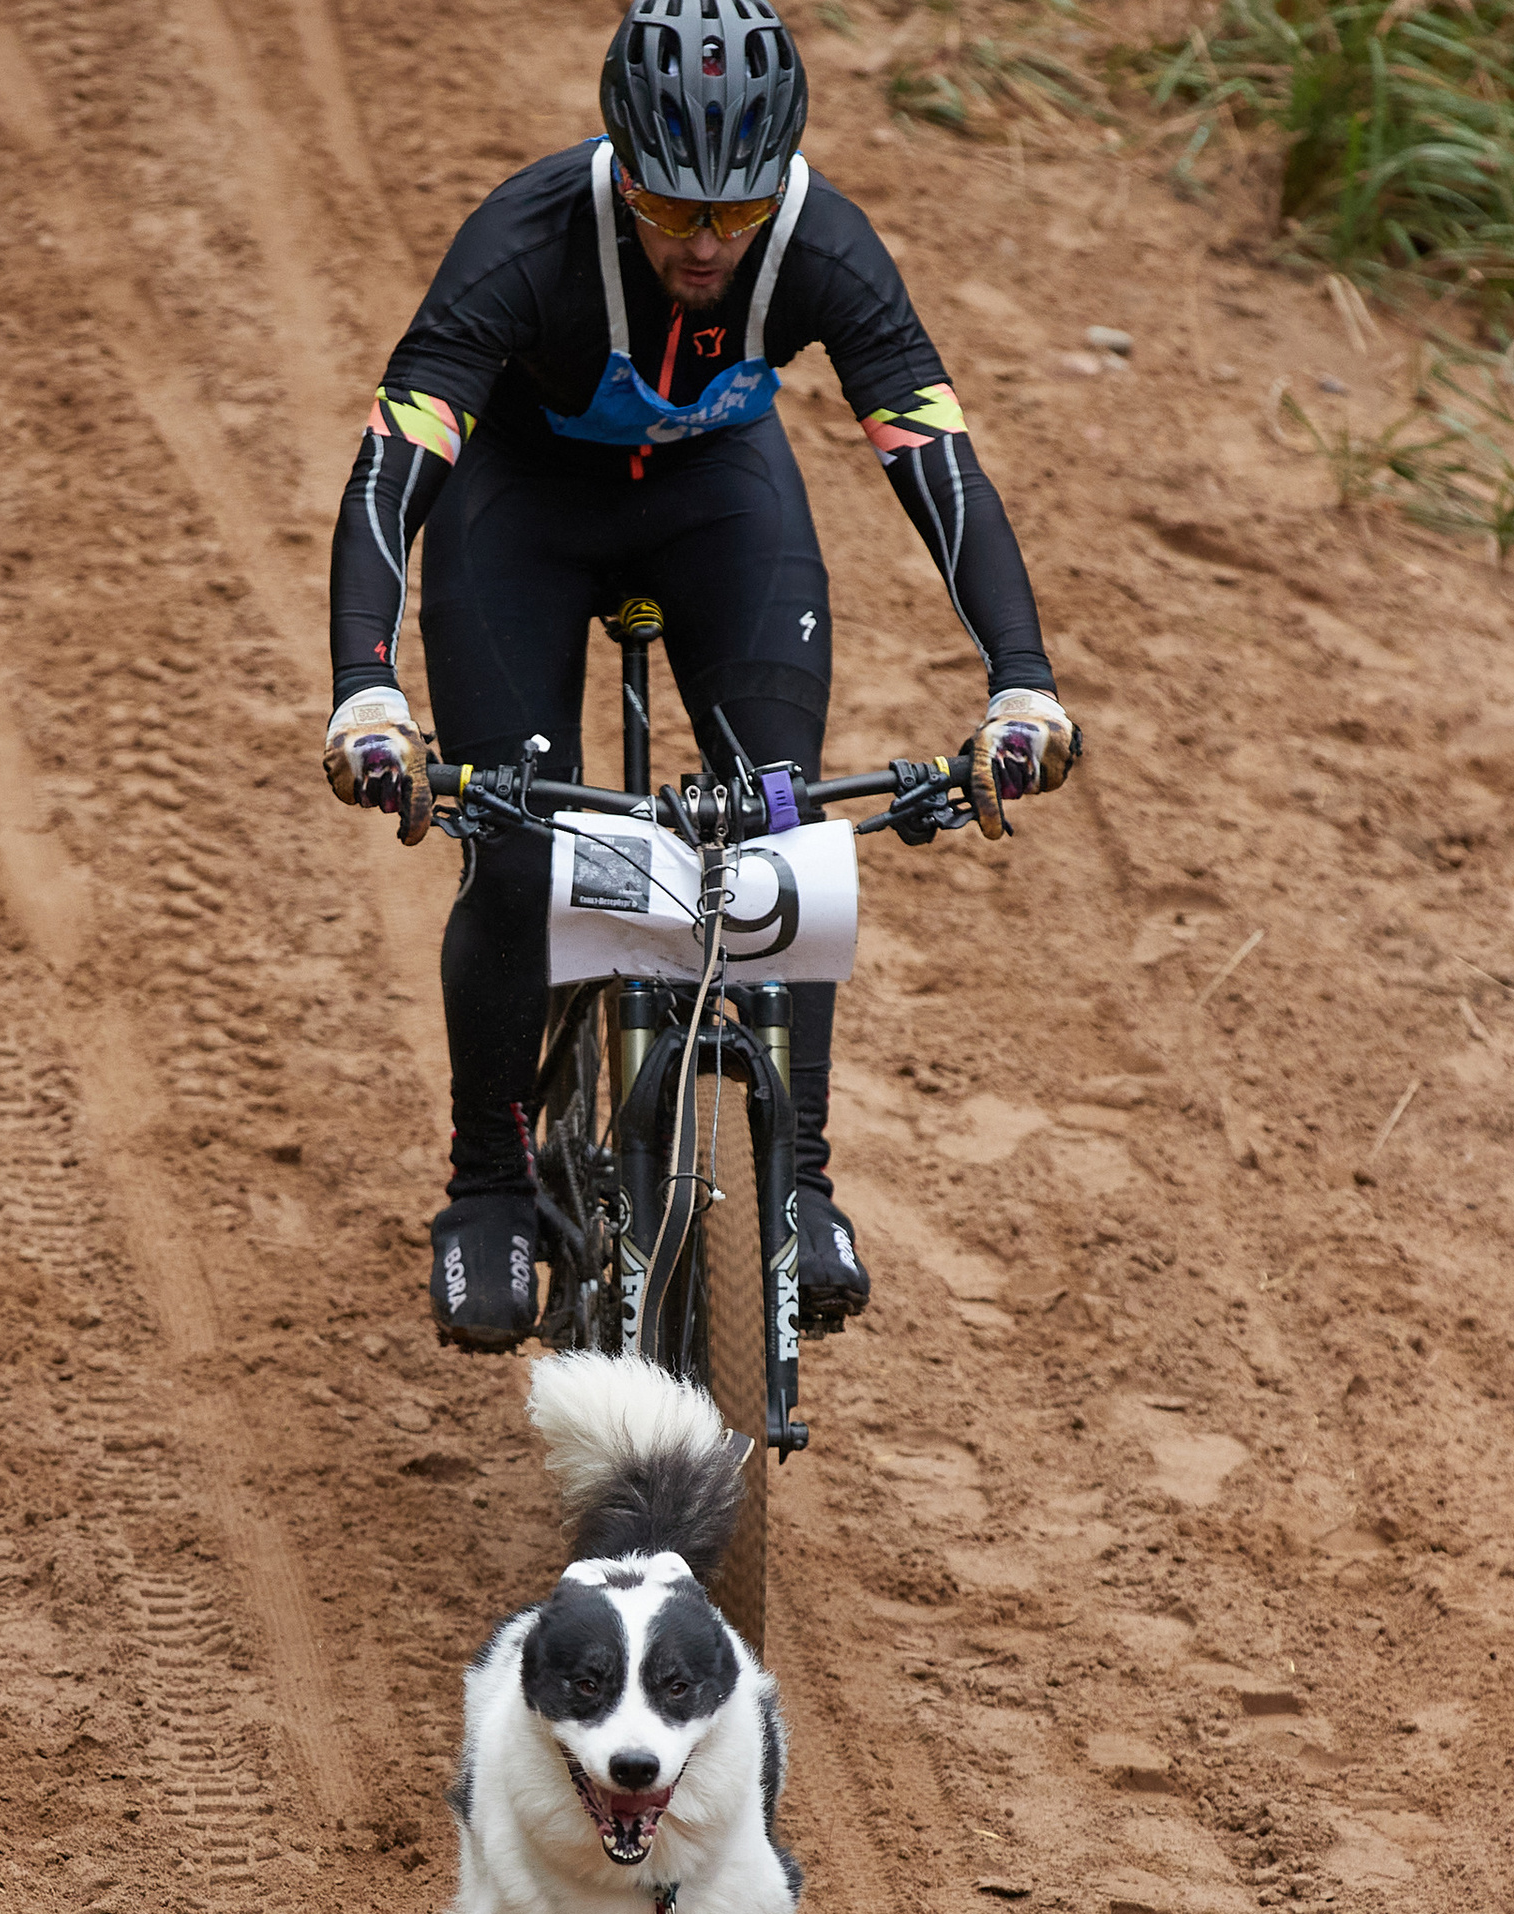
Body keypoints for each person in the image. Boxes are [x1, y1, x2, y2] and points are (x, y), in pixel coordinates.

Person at [323, 0, 1079, 1352]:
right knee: (515, 843)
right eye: (675, 214)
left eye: (737, 216)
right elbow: (397, 464)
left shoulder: (821, 239)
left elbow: (934, 456)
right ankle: (488, 1188)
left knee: (781, 823)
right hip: (526, 515)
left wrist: (1020, 679)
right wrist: (366, 688)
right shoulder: (524, 234)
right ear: (622, 166)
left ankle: (795, 1186)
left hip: (722, 501)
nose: (709, 247)